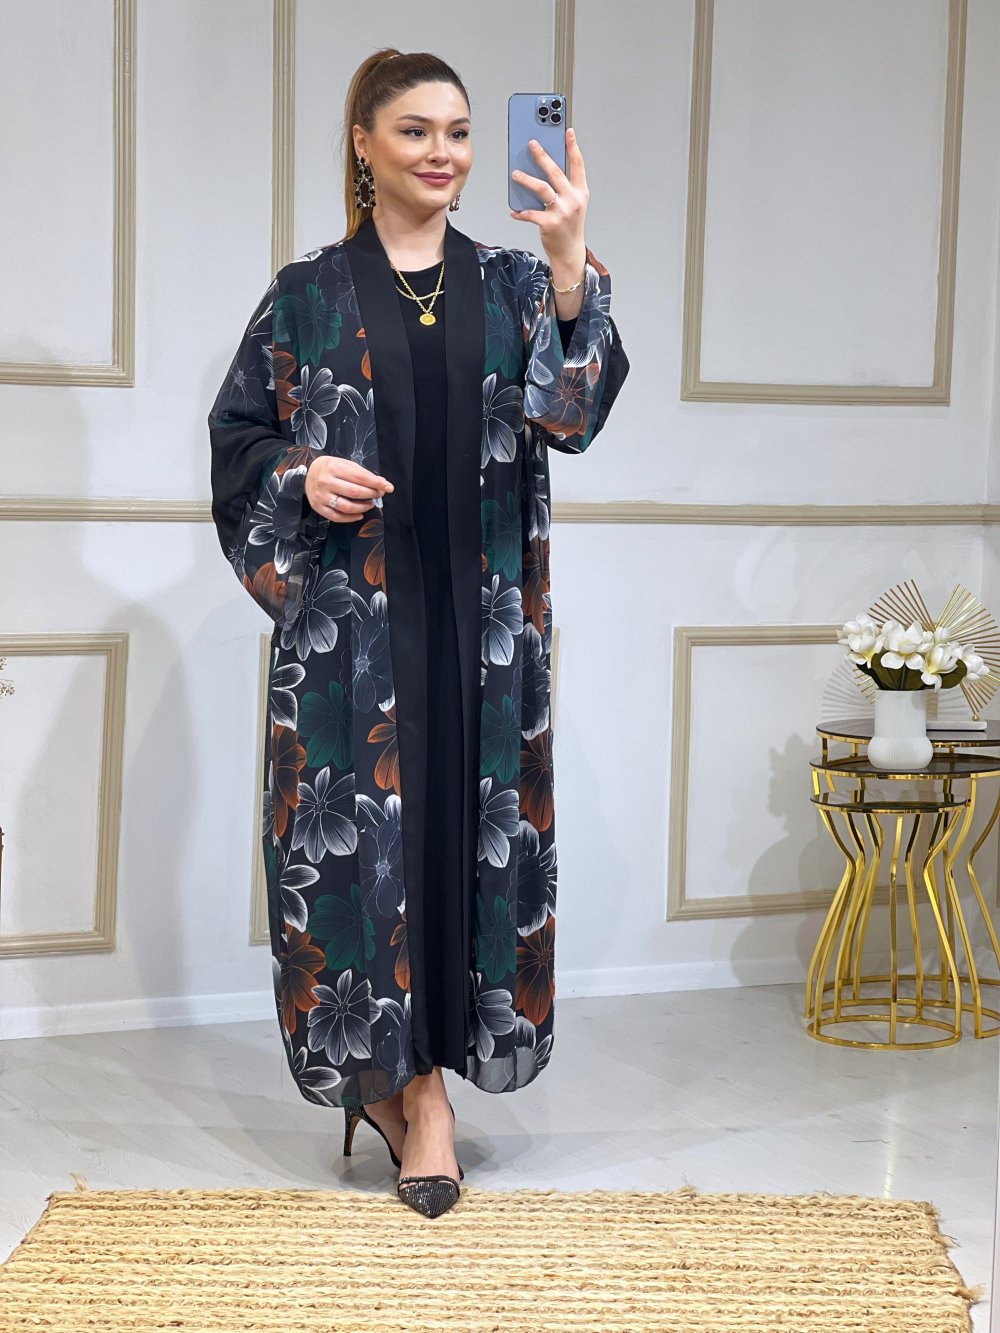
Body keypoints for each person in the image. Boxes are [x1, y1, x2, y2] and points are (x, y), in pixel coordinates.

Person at [208, 48, 628, 1218]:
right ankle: (411, 1097)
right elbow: (239, 440)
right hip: (353, 635)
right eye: (414, 131)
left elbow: (572, 416)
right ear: (363, 143)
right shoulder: (306, 294)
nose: (442, 153)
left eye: (457, 132)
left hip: (483, 630)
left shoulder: (514, 281)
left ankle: (421, 1084)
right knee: (362, 857)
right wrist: (302, 475)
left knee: (462, 843)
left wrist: (567, 262)